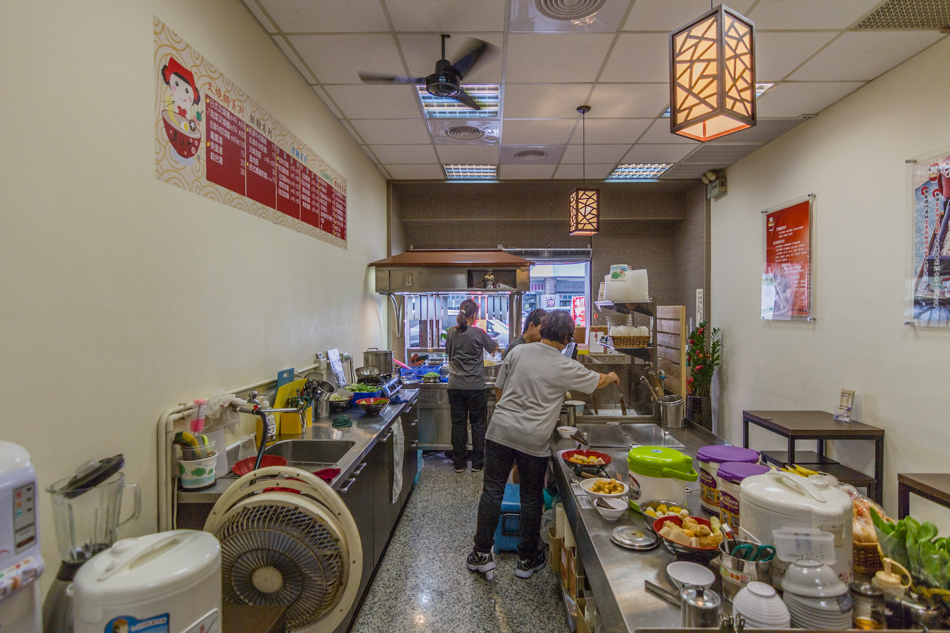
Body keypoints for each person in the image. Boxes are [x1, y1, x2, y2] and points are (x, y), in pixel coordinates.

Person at [467, 311, 619, 578]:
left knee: (492, 491)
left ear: (544, 329)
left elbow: (499, 389)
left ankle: (480, 555)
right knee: (530, 498)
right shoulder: (564, 364)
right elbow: (597, 383)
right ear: (565, 337)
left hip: (499, 430)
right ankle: (527, 559)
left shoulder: (519, 352)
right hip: (532, 438)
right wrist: (612, 375)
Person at [446, 299, 499, 473]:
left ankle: (459, 464)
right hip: (475, 386)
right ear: (474, 315)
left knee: (458, 425)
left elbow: (449, 353)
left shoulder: (451, 332)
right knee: (478, 425)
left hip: (455, 386)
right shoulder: (478, 332)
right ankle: (477, 464)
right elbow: (493, 348)